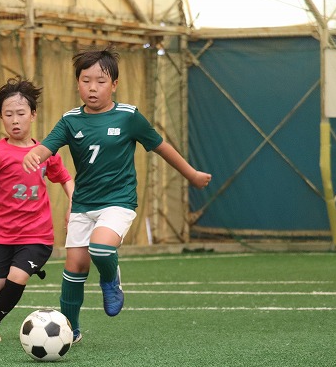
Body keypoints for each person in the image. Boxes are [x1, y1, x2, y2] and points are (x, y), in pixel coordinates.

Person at [23, 46, 212, 343]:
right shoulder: (70, 120)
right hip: (83, 205)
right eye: (85, 80)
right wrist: (34, 154)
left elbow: (161, 147)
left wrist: (192, 174)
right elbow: (47, 146)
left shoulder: (128, 116)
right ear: (77, 83)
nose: (92, 87)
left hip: (118, 201)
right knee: (75, 267)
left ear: (114, 84)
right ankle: (71, 331)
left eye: (100, 81)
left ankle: (111, 279)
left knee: (100, 248)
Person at [0, 78, 73, 342]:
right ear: (1, 117)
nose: (15, 120)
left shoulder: (45, 152)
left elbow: (66, 179)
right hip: (1, 234)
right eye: (8, 115)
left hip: (37, 234)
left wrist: (73, 208)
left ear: (33, 115)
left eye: (21, 113)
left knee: (17, 276)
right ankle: (23, 270)